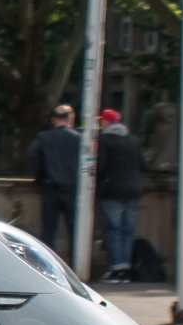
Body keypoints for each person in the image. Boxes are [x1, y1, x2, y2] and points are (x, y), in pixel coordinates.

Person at [94, 108, 146, 281]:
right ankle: (126, 268)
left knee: (114, 229)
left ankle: (116, 268)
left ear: (107, 122)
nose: (100, 124)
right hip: (133, 189)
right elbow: (142, 164)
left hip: (112, 189)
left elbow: (100, 166)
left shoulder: (104, 140)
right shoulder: (133, 140)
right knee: (128, 230)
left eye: (102, 121)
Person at [27, 104, 82, 252]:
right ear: (71, 119)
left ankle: (47, 265)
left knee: (49, 230)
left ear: (54, 120)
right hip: (72, 188)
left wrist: (40, 178)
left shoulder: (44, 137)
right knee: (75, 230)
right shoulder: (79, 139)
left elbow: (33, 156)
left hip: (50, 187)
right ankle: (75, 265)